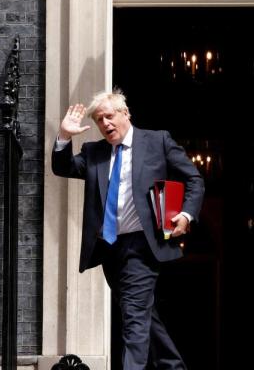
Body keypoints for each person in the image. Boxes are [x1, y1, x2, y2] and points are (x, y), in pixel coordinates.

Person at [52, 89, 205, 370]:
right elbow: (64, 168)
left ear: (126, 113)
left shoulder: (157, 141)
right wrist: (64, 136)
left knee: (134, 317)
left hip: (142, 245)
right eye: (99, 120)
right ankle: (173, 366)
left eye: (109, 116)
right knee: (140, 312)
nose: (105, 123)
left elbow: (194, 179)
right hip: (110, 247)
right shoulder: (94, 152)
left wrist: (186, 214)